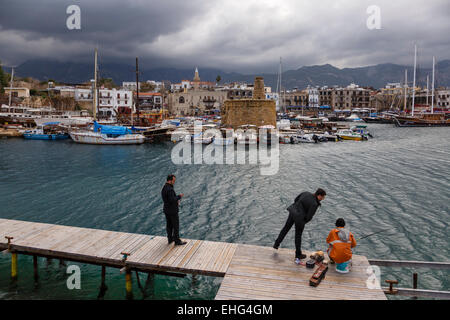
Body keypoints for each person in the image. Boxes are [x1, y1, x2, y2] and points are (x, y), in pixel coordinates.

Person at [273, 188, 326, 265]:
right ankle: (298, 254)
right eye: (323, 197)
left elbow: (296, 199)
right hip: (300, 218)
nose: (323, 199)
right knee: (298, 236)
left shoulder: (306, 192)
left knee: (285, 228)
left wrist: (298, 209)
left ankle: (276, 244)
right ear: (319, 196)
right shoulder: (314, 204)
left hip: (293, 212)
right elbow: (309, 216)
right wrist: (303, 222)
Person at [161, 174, 186, 246]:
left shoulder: (164, 188)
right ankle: (177, 240)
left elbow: (167, 199)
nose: (174, 182)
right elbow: (172, 199)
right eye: (173, 180)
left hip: (166, 210)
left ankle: (170, 239)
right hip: (172, 211)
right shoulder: (170, 189)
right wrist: (179, 196)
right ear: (170, 180)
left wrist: (175, 200)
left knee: (169, 225)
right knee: (176, 226)